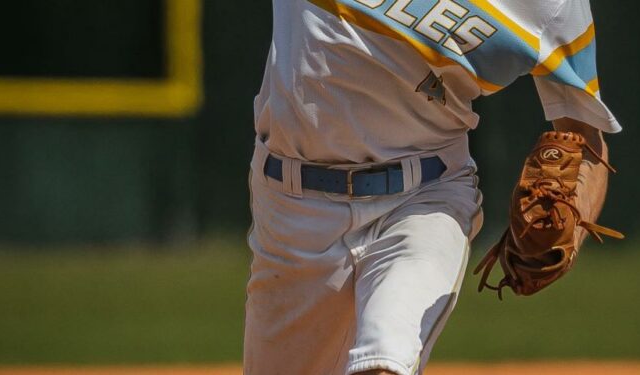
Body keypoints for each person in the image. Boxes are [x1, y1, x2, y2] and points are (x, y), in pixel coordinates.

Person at [244, 0, 620, 374]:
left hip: (424, 199)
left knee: (385, 360)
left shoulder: (552, 6)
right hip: (289, 207)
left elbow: (584, 135)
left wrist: (569, 231)